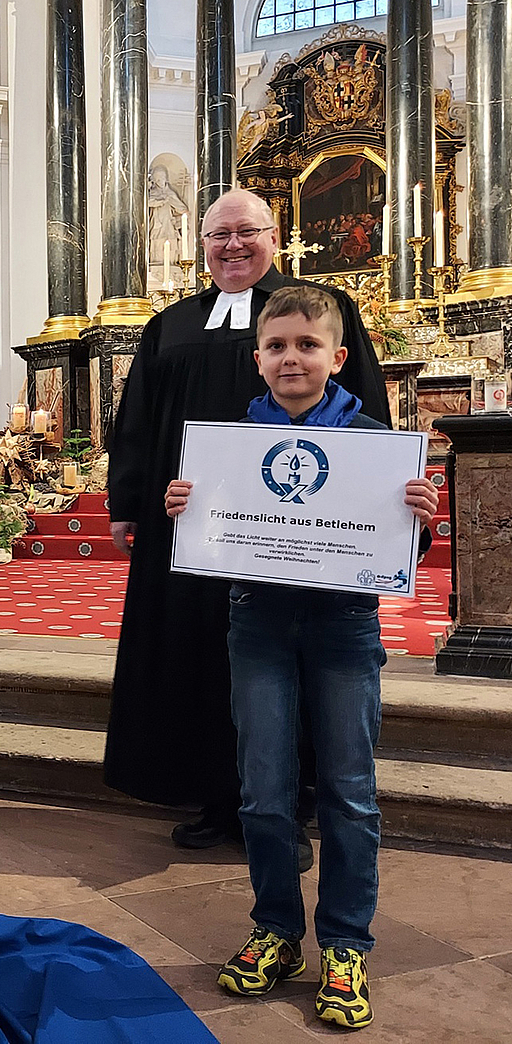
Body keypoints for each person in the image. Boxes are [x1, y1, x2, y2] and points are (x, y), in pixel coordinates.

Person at [165, 285, 438, 1030]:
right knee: (262, 787)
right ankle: (277, 929)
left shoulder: (374, 439)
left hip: (345, 629)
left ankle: (346, 944)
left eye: (308, 345)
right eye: (278, 346)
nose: (292, 358)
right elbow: (212, 534)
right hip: (257, 623)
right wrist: (189, 511)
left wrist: (418, 520)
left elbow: (397, 550)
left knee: (349, 789)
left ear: (337, 358)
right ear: (258, 360)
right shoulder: (229, 448)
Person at [104, 188, 389, 856]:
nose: (231, 245)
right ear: (200, 246)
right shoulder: (170, 325)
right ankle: (213, 793)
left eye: (246, 232)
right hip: (190, 525)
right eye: (217, 235)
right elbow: (138, 424)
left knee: (282, 658)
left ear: (274, 236)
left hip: (295, 529)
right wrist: (127, 502)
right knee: (198, 653)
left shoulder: (317, 311)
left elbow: (362, 406)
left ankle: (292, 802)